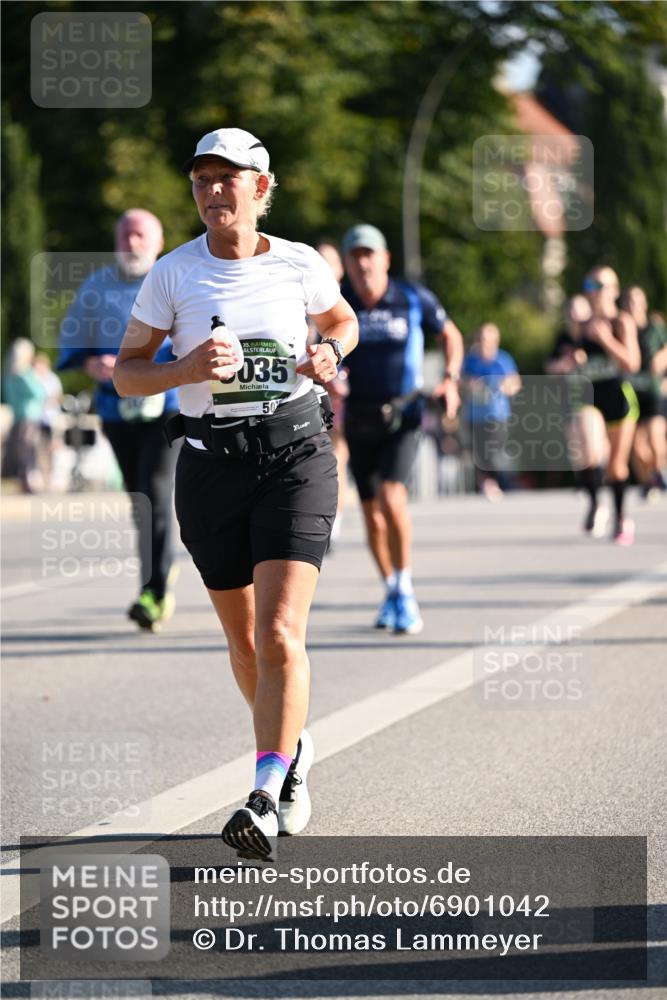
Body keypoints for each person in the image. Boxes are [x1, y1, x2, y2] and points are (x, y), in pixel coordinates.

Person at [112, 128, 358, 859]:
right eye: (202, 179)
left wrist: (329, 350)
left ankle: (263, 788)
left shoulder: (298, 263)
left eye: (229, 178)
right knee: (246, 642)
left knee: (280, 633)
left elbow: (340, 318)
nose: (213, 191)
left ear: (261, 188)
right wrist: (183, 368)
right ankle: (291, 745)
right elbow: (127, 372)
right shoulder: (173, 274)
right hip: (209, 464)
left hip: (295, 453)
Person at [57, 209, 180, 629]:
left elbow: (196, 340)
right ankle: (159, 568)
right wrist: (93, 365)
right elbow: (73, 342)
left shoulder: (172, 281)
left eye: (141, 235)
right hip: (116, 408)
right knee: (139, 501)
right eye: (126, 235)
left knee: (157, 495)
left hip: (166, 407)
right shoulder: (97, 286)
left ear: (158, 242)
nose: (132, 243)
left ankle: (154, 593)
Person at [340, 223, 463, 635]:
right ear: (346, 263)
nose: (363, 264)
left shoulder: (411, 297)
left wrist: (450, 378)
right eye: (355, 256)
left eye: (369, 255)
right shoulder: (339, 302)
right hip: (358, 415)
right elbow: (314, 339)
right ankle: (391, 588)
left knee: (393, 498)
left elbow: (450, 334)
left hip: (403, 415)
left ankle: (406, 591)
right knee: (371, 515)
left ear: (385, 259)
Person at [575, 266, 641, 544]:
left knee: (616, 467)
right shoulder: (581, 324)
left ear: (613, 290)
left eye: (600, 285)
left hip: (619, 400)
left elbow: (632, 363)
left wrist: (606, 340)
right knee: (588, 450)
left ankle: (621, 517)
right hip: (591, 399)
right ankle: (594, 503)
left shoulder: (621, 322)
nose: (594, 291)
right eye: (589, 285)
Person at [546, 295, 610, 535]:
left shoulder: (594, 336)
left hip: (593, 400)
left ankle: (598, 497)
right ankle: (595, 501)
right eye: (571, 311)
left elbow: (611, 363)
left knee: (591, 448)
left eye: (579, 311)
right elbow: (550, 368)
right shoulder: (563, 339)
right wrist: (564, 363)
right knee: (580, 456)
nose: (575, 316)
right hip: (568, 402)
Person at [312, 240, 349, 551]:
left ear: (339, 269)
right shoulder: (305, 301)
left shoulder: (346, 308)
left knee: (337, 458)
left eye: (329, 261)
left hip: (340, 393)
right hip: (311, 390)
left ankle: (332, 525)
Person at [461, 323, 521, 501]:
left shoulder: (503, 359)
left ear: (496, 340)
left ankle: (498, 481)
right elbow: (460, 381)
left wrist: (503, 386)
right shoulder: (470, 361)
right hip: (474, 415)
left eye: (487, 339)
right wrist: (469, 384)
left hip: (497, 414)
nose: (484, 343)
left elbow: (515, 383)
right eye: (481, 339)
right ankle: (487, 483)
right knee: (478, 451)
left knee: (494, 449)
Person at [620, 286, 667, 498]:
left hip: (653, 390)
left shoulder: (654, 327)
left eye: (637, 301)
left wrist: (662, 362)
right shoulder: (621, 327)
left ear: (644, 304)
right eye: (629, 300)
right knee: (637, 447)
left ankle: (660, 472)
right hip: (631, 392)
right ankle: (650, 480)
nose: (633, 305)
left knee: (656, 438)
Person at [2, 338, 47, 493]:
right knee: (29, 452)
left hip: (17, 416)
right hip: (30, 417)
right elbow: (40, 392)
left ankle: (24, 482)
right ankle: (29, 483)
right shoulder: (25, 373)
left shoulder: (8, 375)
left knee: (22, 452)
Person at [33, 352, 63, 492]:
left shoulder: (52, 379)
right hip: (40, 419)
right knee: (40, 450)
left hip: (51, 419)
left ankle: (52, 478)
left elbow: (58, 397)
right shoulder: (35, 379)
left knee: (53, 448)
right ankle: (44, 478)